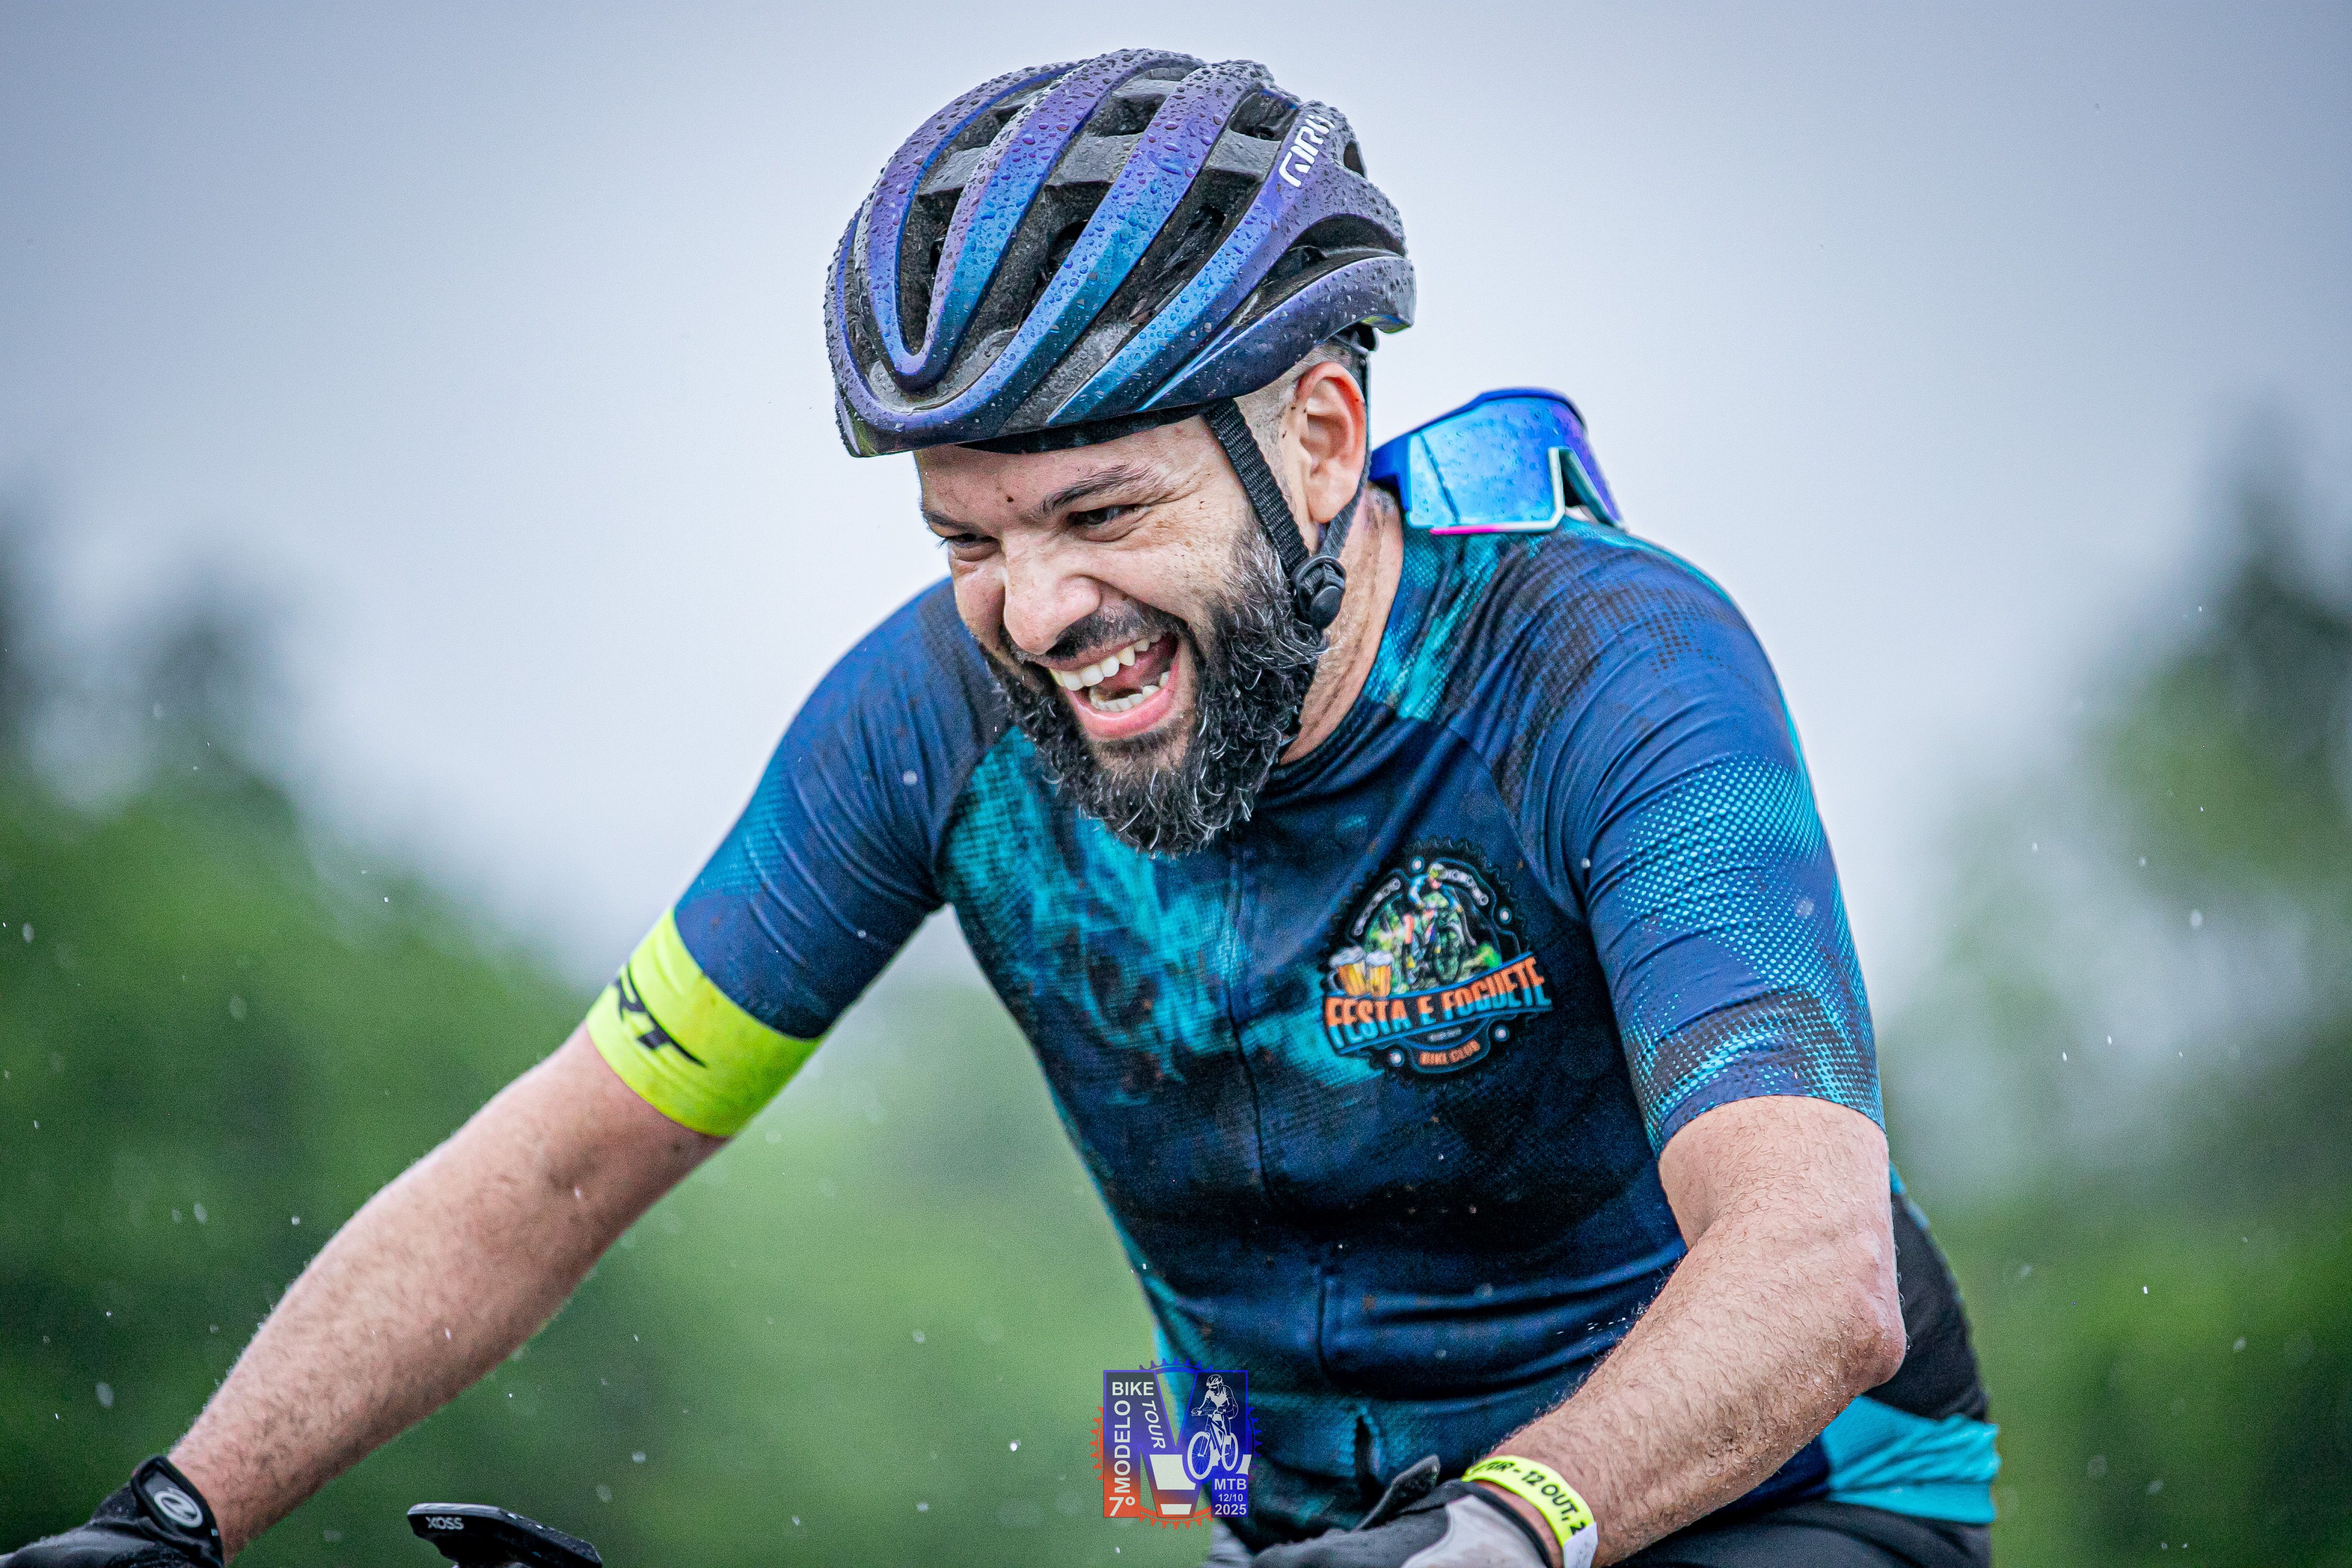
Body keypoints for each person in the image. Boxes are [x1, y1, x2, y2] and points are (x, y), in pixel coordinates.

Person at [5, 50, 1999, 1568]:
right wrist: (175, 1518)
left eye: (1103, 512)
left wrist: (1494, 1535)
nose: (1039, 614)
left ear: (1320, 437)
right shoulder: (928, 716)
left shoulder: (1607, 665)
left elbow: (1810, 1271)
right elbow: (558, 1167)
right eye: (968, 538)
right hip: (1282, 1508)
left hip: (1767, 1492)